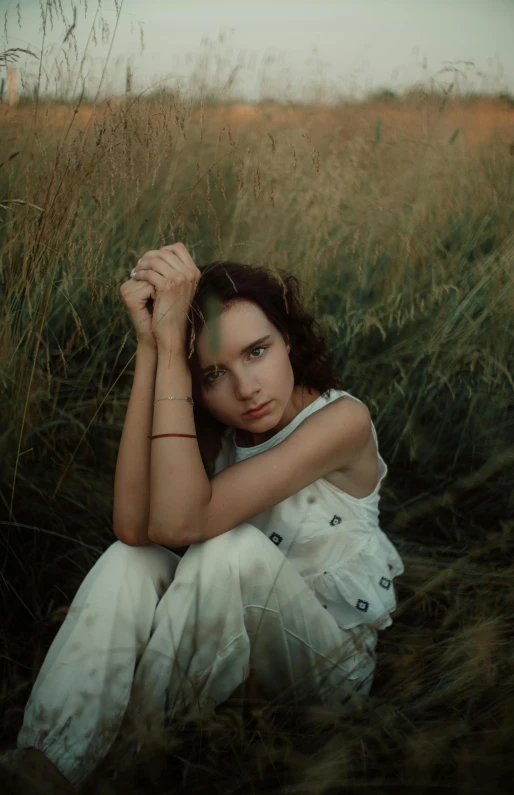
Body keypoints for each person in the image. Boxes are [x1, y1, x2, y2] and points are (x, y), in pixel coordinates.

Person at [0, 243, 404, 793]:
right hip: (229, 652)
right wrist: (153, 348)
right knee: (130, 560)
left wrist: (173, 345)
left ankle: (126, 765)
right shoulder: (222, 436)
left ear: (288, 340)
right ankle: (44, 766)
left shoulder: (341, 420)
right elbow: (134, 526)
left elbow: (188, 525)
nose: (245, 387)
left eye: (257, 352)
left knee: (227, 548)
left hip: (323, 666)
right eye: (214, 373)